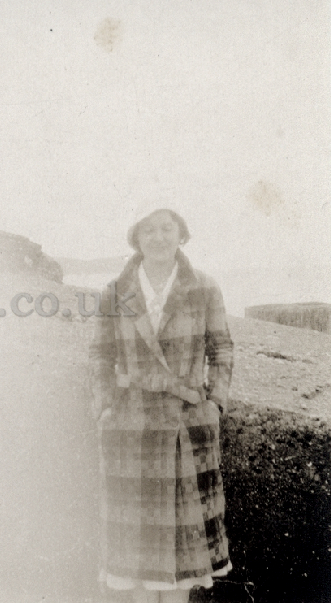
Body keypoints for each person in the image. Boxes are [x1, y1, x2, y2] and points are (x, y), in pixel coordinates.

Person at [89, 208, 234, 603]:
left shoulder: (204, 287)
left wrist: (215, 403)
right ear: (136, 238)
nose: (158, 237)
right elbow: (101, 354)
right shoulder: (114, 292)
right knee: (135, 556)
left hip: (187, 425)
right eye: (148, 230)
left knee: (184, 551)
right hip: (130, 427)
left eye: (166, 228)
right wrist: (104, 407)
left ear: (181, 234)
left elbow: (221, 348)